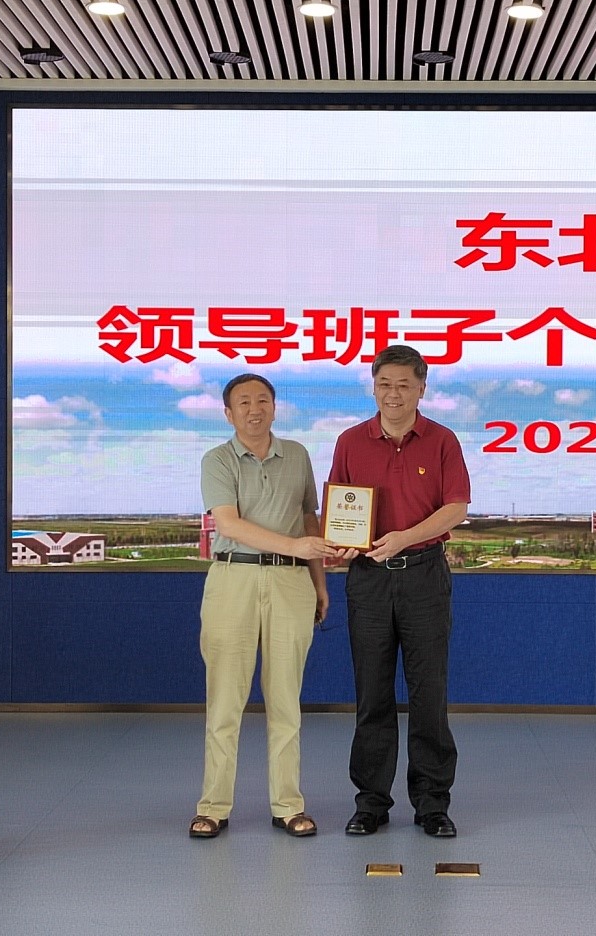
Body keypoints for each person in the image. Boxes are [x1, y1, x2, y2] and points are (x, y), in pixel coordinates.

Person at [328, 345, 471, 838]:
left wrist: (404, 538)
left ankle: (432, 803)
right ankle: (371, 802)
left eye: (404, 385)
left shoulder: (442, 440)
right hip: (368, 578)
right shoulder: (351, 441)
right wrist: (342, 543)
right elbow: (340, 508)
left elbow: (456, 507)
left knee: (429, 693)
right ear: (373, 386)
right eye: (384, 384)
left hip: (424, 575)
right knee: (372, 693)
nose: (393, 394)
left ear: (421, 388)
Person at [190, 373, 337, 839]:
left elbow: (309, 519)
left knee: (286, 700)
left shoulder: (297, 455)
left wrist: (319, 582)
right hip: (233, 578)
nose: (254, 409)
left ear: (275, 407)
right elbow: (229, 525)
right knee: (225, 701)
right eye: (244, 402)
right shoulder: (217, 460)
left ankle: (288, 805)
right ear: (228, 413)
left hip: (292, 582)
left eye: (262, 400)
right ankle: (213, 806)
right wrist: (297, 547)